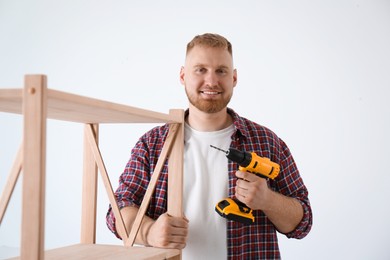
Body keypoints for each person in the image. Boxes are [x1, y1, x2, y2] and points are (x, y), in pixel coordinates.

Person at [106, 33, 312, 259]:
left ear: (234, 78)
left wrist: (268, 200)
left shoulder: (267, 142)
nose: (212, 81)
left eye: (221, 71)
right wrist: (149, 232)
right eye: (200, 69)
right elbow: (118, 212)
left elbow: (303, 222)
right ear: (183, 75)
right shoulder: (152, 144)